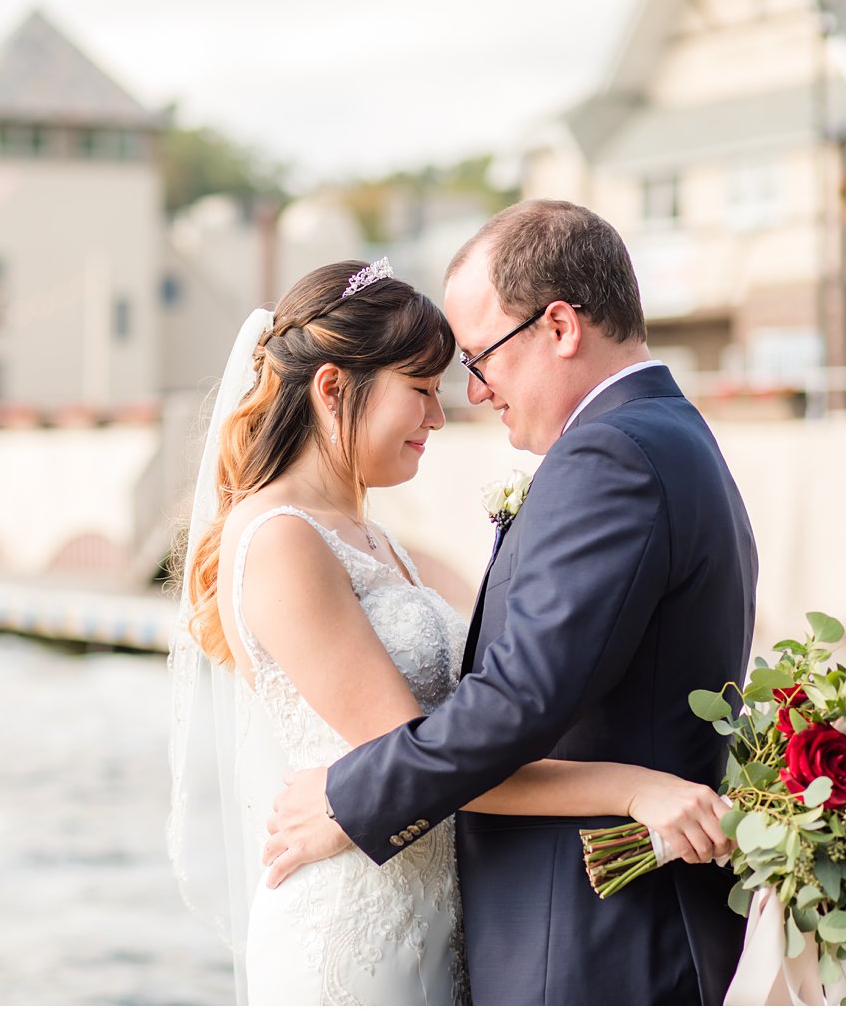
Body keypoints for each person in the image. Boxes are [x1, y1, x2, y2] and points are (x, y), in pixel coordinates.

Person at [168, 254, 735, 1006]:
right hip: (357, 929)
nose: (440, 414)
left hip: (439, 913)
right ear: (335, 389)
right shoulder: (280, 538)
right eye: (422, 389)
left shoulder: (375, 540)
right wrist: (635, 788)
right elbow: (417, 753)